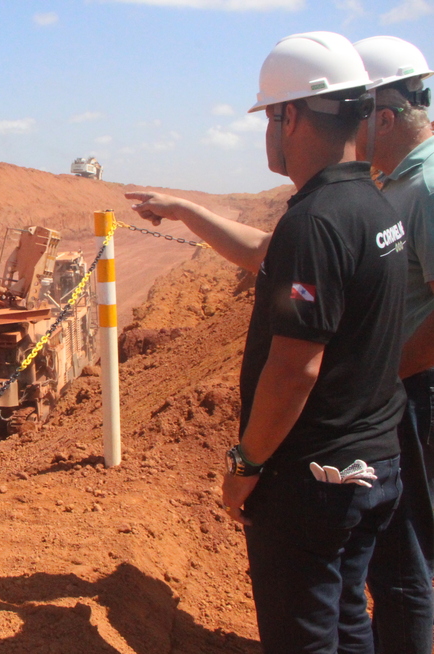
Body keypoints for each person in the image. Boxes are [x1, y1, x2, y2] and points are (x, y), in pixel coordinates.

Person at [124, 31, 408, 653]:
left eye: (268, 117)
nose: (266, 134)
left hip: (314, 478)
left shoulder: (318, 221)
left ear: (291, 115)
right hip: (373, 465)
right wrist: (186, 211)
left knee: (302, 637)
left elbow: (294, 369)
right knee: (346, 622)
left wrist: (245, 463)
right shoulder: (371, 207)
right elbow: (264, 255)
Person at [354, 34, 434, 654]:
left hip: (418, 393)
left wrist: (379, 380)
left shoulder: (426, 188)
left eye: (357, 116)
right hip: (405, 389)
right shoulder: (401, 184)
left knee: (408, 557)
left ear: (384, 116)